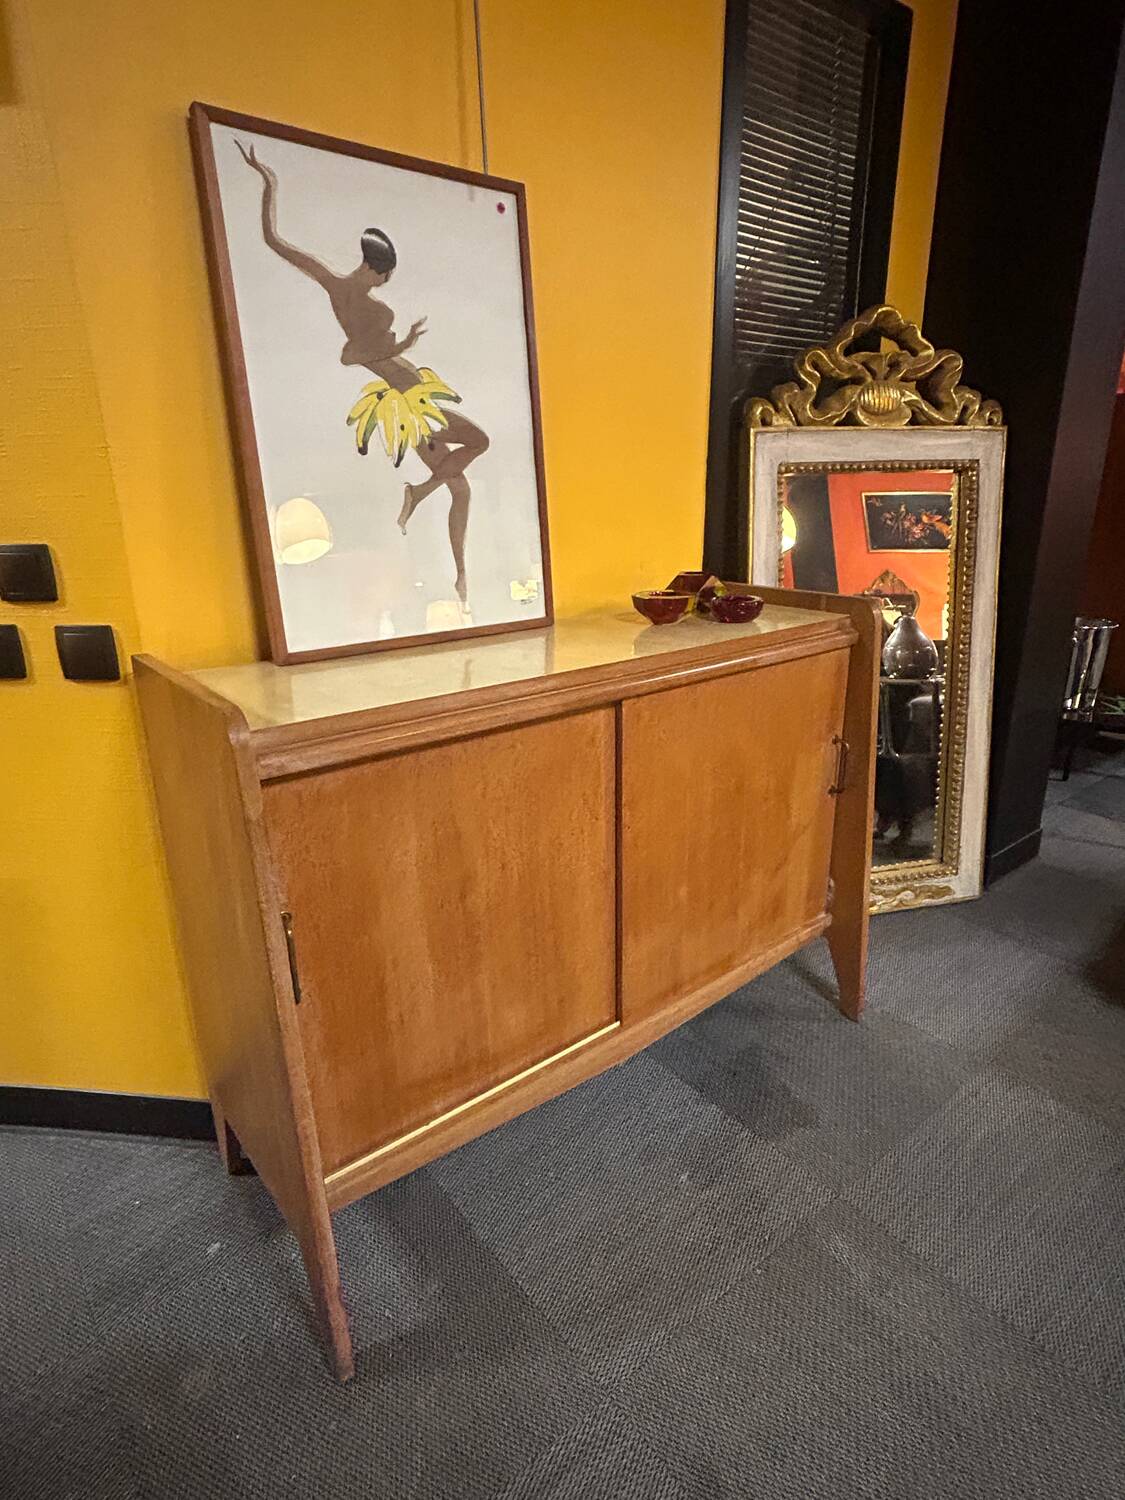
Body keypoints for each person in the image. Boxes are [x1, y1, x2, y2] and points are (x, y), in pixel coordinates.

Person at [237, 140, 489, 604]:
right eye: (386, 276)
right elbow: (363, 354)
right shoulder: (374, 309)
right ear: (379, 270)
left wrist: (268, 183)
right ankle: (418, 495)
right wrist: (405, 344)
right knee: (479, 442)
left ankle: (460, 579)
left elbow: (276, 242)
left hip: (406, 395)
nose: (385, 282)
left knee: (463, 489)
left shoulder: (335, 288)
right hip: (411, 400)